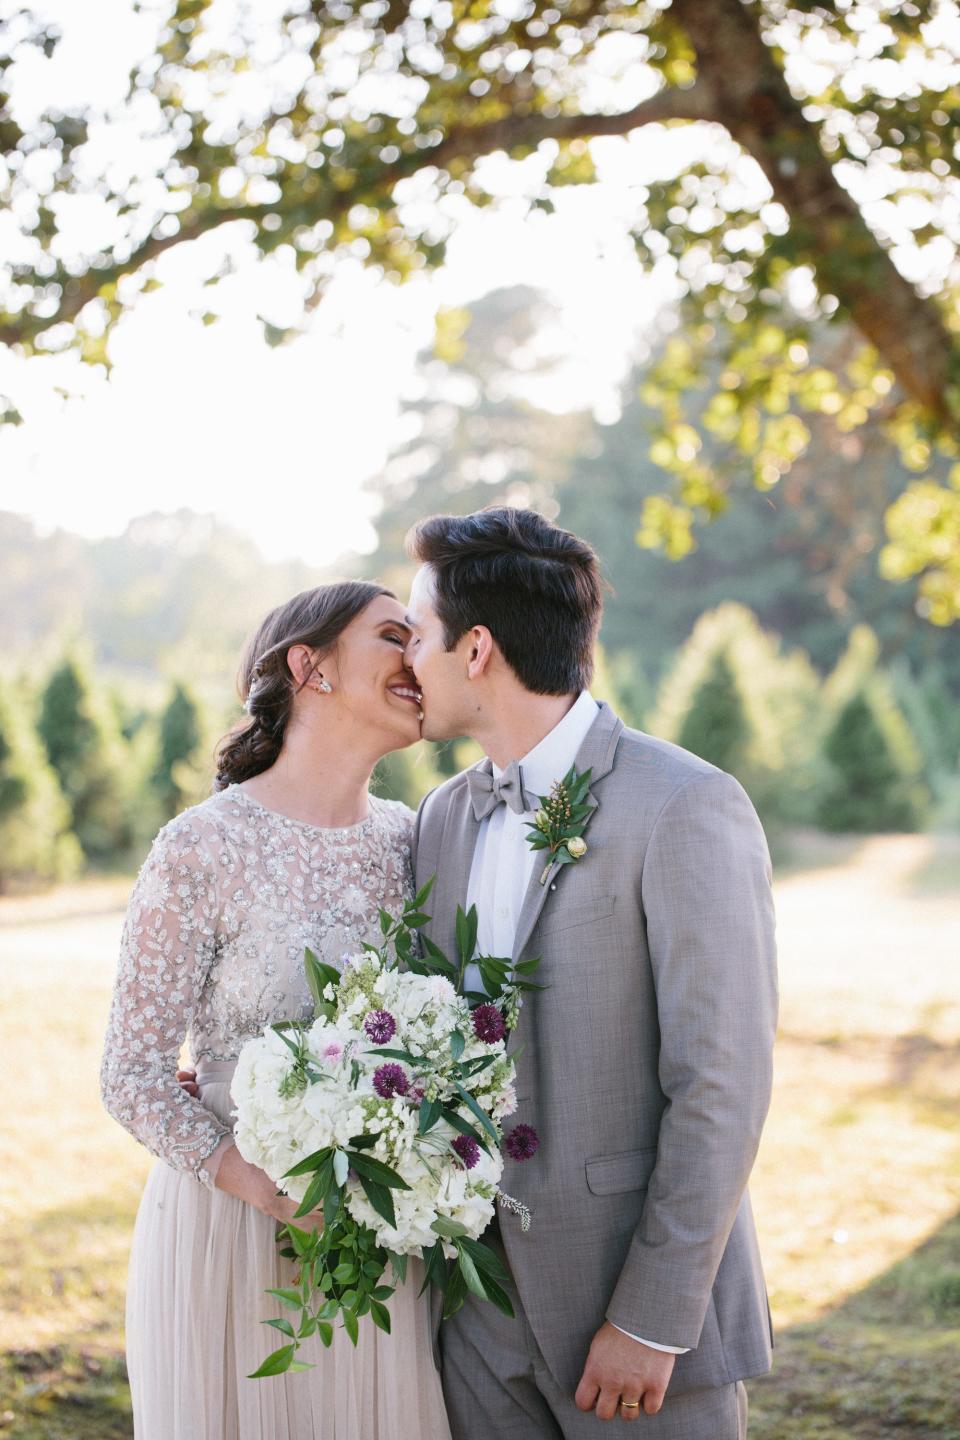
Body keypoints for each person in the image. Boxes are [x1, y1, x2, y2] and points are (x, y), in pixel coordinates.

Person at [402, 507, 778, 1439]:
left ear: (477, 648)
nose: (407, 658)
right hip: (475, 1320)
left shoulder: (685, 805)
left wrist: (652, 1317)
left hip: (632, 1320)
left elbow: (722, 1084)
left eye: (417, 635)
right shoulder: (444, 817)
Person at [101, 581, 451, 1440]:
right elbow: (133, 1075)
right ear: (310, 666)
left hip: (379, 1229)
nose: (418, 658)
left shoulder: (415, 841)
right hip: (228, 1222)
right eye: (393, 636)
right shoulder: (202, 845)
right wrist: (263, 1188)